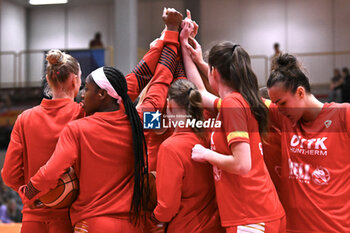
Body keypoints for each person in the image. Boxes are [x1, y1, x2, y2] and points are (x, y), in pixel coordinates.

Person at [18, 8, 183, 233]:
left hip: (93, 223)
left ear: (103, 94)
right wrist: (171, 36)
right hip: (135, 224)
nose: (83, 94)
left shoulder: (77, 127)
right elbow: (154, 79)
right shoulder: (142, 119)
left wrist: (27, 193)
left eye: (87, 89)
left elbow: (50, 172)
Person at [180, 18, 285, 232]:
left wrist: (204, 154)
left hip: (252, 217)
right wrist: (186, 46)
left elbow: (242, 164)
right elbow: (199, 93)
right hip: (255, 214)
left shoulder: (232, 104)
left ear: (215, 72)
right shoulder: (237, 101)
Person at [1, 50, 83, 233]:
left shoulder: (25, 118)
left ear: (48, 79)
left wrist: (31, 193)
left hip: (32, 219)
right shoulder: (82, 114)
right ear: (74, 80)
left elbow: (9, 175)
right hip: (69, 219)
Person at [266, 53, 350, 232]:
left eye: (282, 103)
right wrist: (199, 63)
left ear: (300, 92)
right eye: (275, 104)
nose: (278, 110)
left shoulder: (343, 115)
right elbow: (236, 96)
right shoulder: (285, 118)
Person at [151, 79, 224, 233]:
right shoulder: (211, 136)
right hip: (216, 226)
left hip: (186, 227)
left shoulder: (170, 148)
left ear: (169, 105)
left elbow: (167, 207)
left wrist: (154, 218)